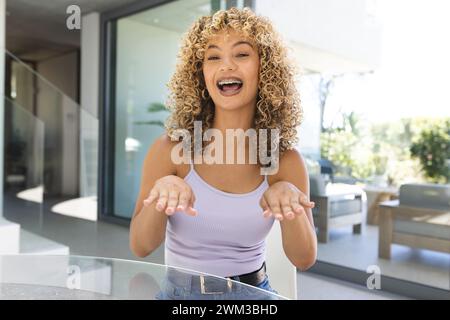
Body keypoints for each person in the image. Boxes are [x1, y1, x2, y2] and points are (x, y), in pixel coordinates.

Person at [129, 7, 317, 299]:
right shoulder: (171, 150)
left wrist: (289, 205)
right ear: (200, 73)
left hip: (252, 295)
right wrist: (160, 195)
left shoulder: (283, 161)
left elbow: (304, 259)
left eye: (241, 54)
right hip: (179, 297)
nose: (226, 66)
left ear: (265, 68)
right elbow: (140, 247)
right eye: (213, 57)